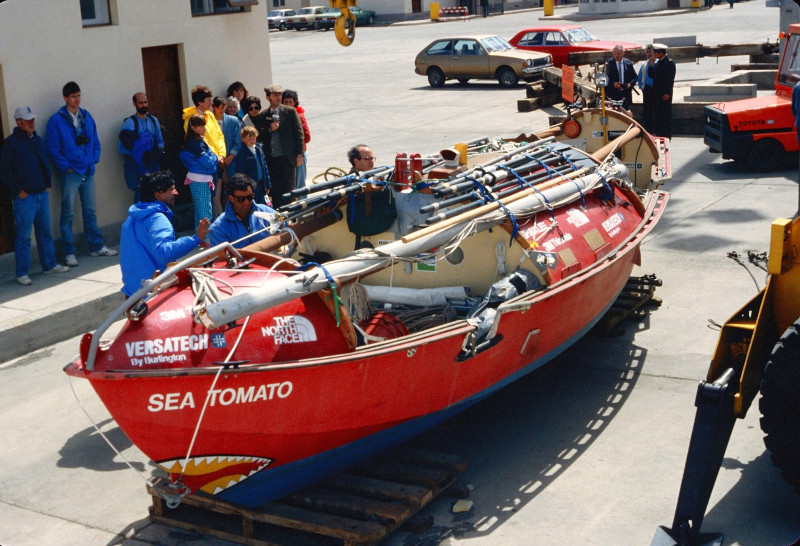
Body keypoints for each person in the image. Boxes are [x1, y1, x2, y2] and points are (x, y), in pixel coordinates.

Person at [45, 81, 117, 267]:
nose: (77, 100)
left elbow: (95, 140)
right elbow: (53, 149)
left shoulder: (86, 116)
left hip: (87, 169)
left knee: (90, 210)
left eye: (78, 95)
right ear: (65, 98)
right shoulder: (56, 120)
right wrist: (66, 167)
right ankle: (69, 252)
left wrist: (93, 159)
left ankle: (96, 246)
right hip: (70, 173)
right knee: (68, 212)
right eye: (73, 97)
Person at [1, 106, 70, 285]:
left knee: (45, 232)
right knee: (24, 236)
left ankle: (49, 264)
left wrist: (47, 184)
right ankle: (22, 272)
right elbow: (5, 171)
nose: (32, 122)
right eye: (28, 120)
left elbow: (43, 162)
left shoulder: (37, 140)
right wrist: (19, 191)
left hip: (41, 194)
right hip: (25, 198)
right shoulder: (11, 143)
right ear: (19, 122)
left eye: (33, 119)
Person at [120, 171, 209, 297]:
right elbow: (164, 253)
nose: (176, 192)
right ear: (159, 194)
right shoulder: (157, 219)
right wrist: (195, 239)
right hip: (152, 295)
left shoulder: (129, 220)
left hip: (132, 295)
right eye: (172, 189)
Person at [251, 84, 304, 208]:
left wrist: (300, 154)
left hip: (287, 158)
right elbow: (258, 136)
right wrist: (269, 129)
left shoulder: (290, 112)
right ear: (268, 97)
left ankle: (291, 218)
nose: (278, 97)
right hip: (271, 160)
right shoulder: (262, 116)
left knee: (290, 191)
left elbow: (299, 133)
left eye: (280, 94)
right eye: (275, 95)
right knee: (275, 191)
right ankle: (278, 216)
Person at [207, 173, 276, 249]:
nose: (247, 202)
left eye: (250, 197)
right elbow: (220, 258)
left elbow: (283, 220)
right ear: (231, 198)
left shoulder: (265, 211)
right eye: (241, 199)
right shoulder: (218, 228)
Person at [118, 92, 164, 203]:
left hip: (151, 165)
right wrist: (139, 153)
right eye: (140, 103)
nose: (144, 105)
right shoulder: (130, 123)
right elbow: (121, 147)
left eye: (145, 102)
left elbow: (160, 141)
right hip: (136, 166)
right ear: (134, 104)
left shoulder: (153, 120)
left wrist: (156, 152)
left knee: (155, 194)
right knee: (140, 195)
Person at [180, 114, 218, 231]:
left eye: (204, 125)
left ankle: (200, 236)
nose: (203, 128)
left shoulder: (194, 141)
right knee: (205, 211)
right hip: (200, 180)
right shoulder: (196, 143)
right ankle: (206, 238)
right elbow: (207, 162)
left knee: (200, 210)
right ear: (193, 128)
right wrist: (215, 157)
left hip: (198, 179)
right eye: (200, 126)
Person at [181, 85, 226, 166]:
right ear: (200, 102)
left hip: (215, 161)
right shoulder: (191, 119)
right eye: (209, 100)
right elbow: (198, 141)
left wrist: (221, 154)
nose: (211, 103)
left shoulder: (210, 115)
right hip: (204, 163)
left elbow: (220, 136)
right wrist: (215, 157)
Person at [233, 126, 271, 205]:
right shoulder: (242, 153)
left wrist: (267, 184)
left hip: (261, 184)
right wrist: (245, 186)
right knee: (252, 205)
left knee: (263, 204)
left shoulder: (259, 150)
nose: (252, 140)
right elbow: (241, 172)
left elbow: (265, 167)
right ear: (243, 139)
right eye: (249, 138)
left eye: (254, 138)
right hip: (251, 186)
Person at [281, 89, 310, 188]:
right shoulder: (281, 115)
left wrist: (297, 149)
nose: (288, 104)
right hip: (287, 155)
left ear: (295, 103)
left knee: (300, 183)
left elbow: (307, 137)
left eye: (290, 102)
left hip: (299, 154)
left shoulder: (299, 116)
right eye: (286, 102)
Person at [650, 44, 676, 138]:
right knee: (658, 116)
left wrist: (668, 93)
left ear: (661, 53)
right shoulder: (657, 63)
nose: (654, 54)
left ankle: (666, 135)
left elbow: (670, 80)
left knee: (665, 115)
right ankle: (659, 133)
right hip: (657, 94)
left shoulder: (669, 63)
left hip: (665, 94)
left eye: (656, 52)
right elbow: (651, 75)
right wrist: (651, 64)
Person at [212, 96, 242, 179]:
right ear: (214, 107)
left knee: (232, 186)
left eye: (223, 107)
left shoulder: (233, 120)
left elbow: (238, 141)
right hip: (214, 161)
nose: (221, 109)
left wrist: (230, 157)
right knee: (217, 189)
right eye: (218, 107)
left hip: (231, 161)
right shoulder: (208, 121)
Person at [606, 45, 638, 110]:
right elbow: (604, 78)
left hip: (625, 94)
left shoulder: (628, 63)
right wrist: (613, 83)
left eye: (619, 53)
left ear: (623, 53)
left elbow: (635, 77)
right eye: (615, 54)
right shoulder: (609, 64)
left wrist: (630, 83)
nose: (617, 55)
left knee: (625, 113)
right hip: (613, 94)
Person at [637, 45, 657, 134]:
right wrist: (642, 87)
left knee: (656, 110)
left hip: (656, 90)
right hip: (647, 90)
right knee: (647, 111)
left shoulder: (658, 63)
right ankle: (648, 131)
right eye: (647, 52)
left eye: (651, 51)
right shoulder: (644, 64)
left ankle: (656, 130)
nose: (649, 54)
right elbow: (639, 77)